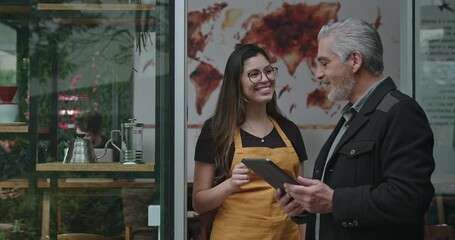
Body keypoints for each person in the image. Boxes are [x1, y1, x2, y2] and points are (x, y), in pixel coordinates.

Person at [275, 18, 435, 240]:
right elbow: (338, 197)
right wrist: (305, 208)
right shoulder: (353, 115)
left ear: (355, 60)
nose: (318, 74)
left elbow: (410, 198)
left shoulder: (401, 112)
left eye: (324, 63)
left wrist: (334, 201)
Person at [192, 44, 308, 240]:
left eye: (268, 71)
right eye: (254, 74)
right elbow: (199, 202)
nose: (265, 79)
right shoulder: (216, 130)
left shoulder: (290, 131)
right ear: (236, 83)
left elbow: (302, 204)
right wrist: (230, 185)